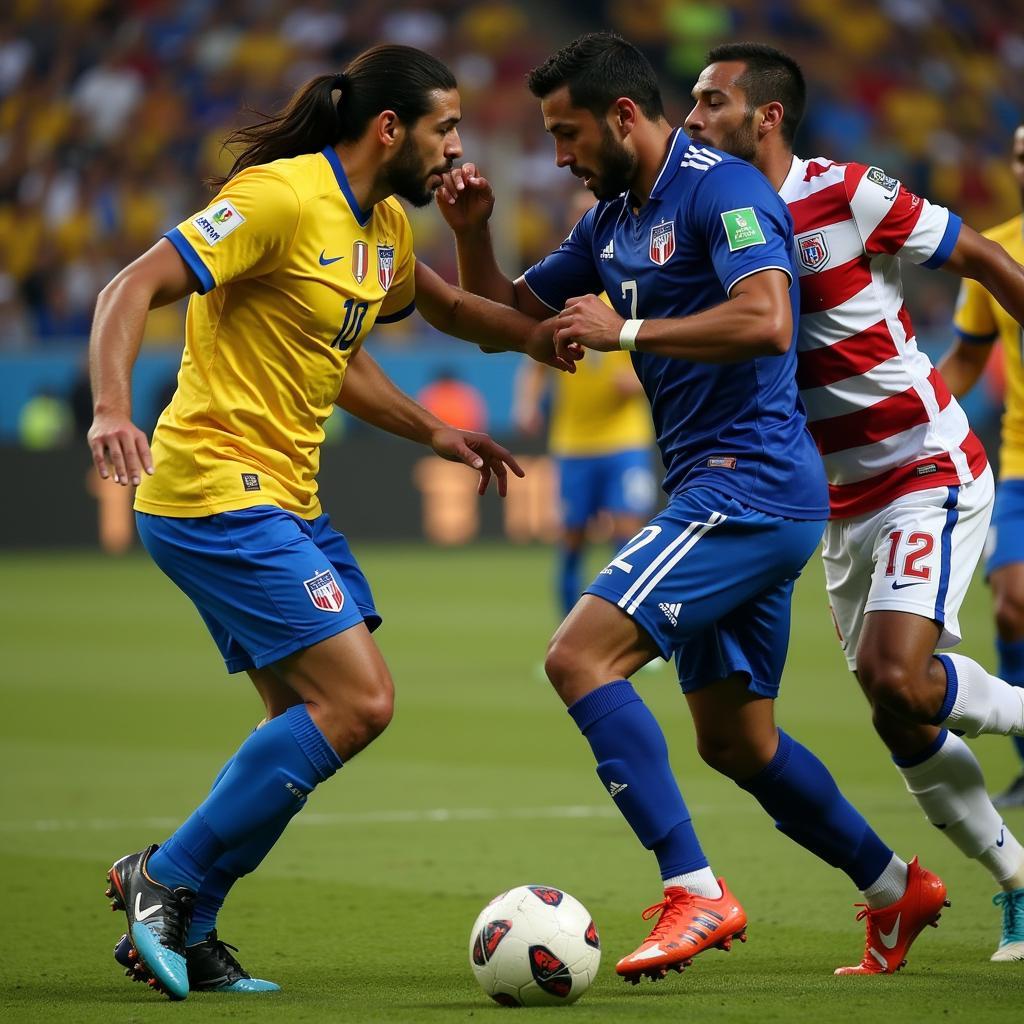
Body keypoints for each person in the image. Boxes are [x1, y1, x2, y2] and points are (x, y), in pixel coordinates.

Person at [437, 31, 946, 980]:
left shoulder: (724, 189)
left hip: (747, 485)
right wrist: (469, 234)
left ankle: (696, 890)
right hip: (724, 490)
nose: (559, 155)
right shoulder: (612, 220)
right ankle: (893, 886)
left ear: (624, 115)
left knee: (577, 657)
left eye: (568, 133)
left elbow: (768, 319)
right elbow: (504, 317)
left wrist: (626, 327)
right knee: (736, 741)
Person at [88, 44, 574, 1001]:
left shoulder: (383, 225)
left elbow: (436, 324)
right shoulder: (279, 198)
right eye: (444, 130)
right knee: (361, 703)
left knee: (302, 727)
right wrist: (111, 408)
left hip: (284, 502)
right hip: (210, 488)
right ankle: (164, 875)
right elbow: (125, 290)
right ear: (389, 129)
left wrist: (457, 411)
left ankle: (195, 927)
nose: (454, 150)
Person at [684, 43, 1024, 963]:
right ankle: (1017, 881)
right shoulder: (705, 218)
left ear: (767, 116)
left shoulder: (848, 192)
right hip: (833, 501)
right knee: (898, 712)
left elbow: (981, 254)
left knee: (893, 674)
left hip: (925, 468)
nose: (691, 118)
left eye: (711, 102)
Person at [514, 191, 656, 617]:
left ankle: (632, 630)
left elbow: (662, 345)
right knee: (571, 537)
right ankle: (567, 631)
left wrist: (636, 379)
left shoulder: (630, 287)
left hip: (624, 437)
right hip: (573, 440)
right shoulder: (561, 296)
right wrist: (527, 403)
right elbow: (534, 360)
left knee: (628, 533)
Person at [940, 124, 1024, 821]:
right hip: (1020, 458)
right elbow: (968, 358)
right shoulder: (997, 251)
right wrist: (915, 405)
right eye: (1020, 155)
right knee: (1011, 603)